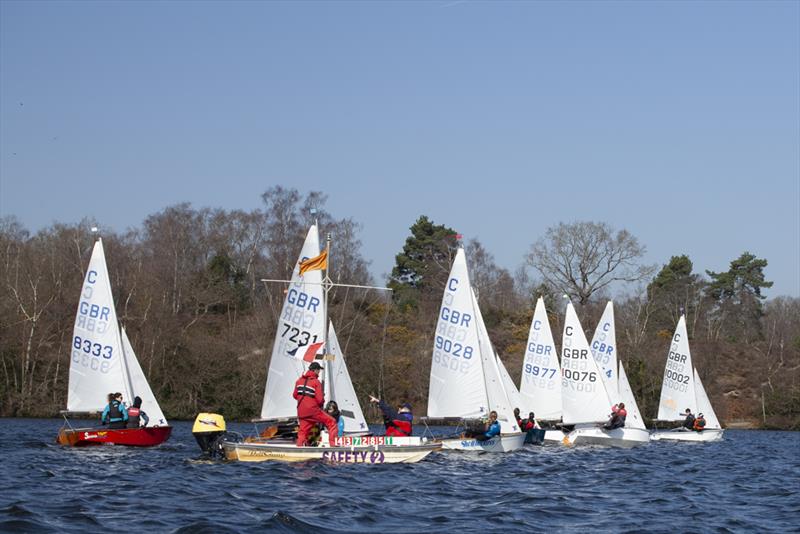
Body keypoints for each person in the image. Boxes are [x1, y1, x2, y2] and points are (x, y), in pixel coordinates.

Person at [293, 362, 338, 447]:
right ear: (315, 370)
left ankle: (299, 448)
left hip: (301, 412)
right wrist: (320, 401)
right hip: (313, 411)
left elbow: (295, 395)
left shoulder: (298, 381)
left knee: (303, 431)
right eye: (319, 370)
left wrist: (305, 402)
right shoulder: (316, 382)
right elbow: (320, 400)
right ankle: (333, 445)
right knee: (332, 422)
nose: (319, 372)